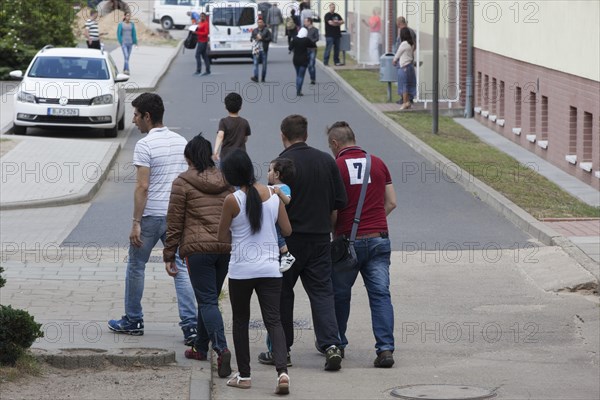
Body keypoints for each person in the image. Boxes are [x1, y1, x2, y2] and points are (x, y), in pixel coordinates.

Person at [258, 115, 347, 371]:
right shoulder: (326, 161)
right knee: (322, 292)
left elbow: (270, 205)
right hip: (319, 239)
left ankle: (282, 351)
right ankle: (332, 345)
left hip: (288, 241)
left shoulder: (280, 164)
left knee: (283, 293)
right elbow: (339, 202)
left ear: (282, 134)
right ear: (306, 135)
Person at [108, 93, 198, 346]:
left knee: (136, 266)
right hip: (175, 216)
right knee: (179, 267)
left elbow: (142, 186)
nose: (134, 120)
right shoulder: (181, 142)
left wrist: (135, 222)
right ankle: (191, 326)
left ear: (147, 116)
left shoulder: (145, 145)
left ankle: (133, 321)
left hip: (149, 217)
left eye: (136, 115)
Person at [218, 149, 292, 395]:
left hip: (241, 270)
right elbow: (287, 230)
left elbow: (221, 237)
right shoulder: (273, 194)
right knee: (274, 321)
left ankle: (245, 376)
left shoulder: (232, 200)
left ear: (231, 175)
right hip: (270, 269)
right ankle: (282, 372)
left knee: (240, 321)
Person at [326, 121, 397, 369]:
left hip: (347, 242)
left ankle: (337, 344)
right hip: (379, 238)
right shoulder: (378, 163)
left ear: (335, 143)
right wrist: (372, 223)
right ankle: (385, 348)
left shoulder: (335, 166)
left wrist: (337, 230)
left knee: (340, 295)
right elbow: (392, 202)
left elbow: (333, 210)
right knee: (380, 296)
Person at [163, 134, 233, 377]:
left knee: (207, 301)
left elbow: (174, 222)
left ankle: (222, 349)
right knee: (210, 298)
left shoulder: (182, 182)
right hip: (224, 248)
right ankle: (200, 348)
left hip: (198, 250)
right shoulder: (227, 179)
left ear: (188, 157)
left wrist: (169, 254)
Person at [267, 158, 296, 273]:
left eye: (269, 170)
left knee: (277, 232)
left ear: (277, 174)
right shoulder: (270, 187)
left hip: (278, 219)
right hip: (272, 217)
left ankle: (286, 254)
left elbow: (287, 201)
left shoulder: (284, 188)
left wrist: (279, 193)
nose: (268, 173)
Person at [213, 92, 251, 163]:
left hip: (226, 156)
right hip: (241, 156)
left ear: (226, 107)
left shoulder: (223, 121)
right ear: (240, 107)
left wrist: (215, 150)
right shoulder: (244, 122)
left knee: (224, 173)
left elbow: (220, 135)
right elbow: (245, 139)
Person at [392, 27, 416, 109]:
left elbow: (397, 54)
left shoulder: (403, 44)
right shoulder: (411, 44)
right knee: (409, 84)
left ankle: (405, 103)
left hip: (404, 67)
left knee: (403, 85)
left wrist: (394, 61)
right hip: (410, 66)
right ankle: (408, 102)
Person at [288, 27, 315, 96]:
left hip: (295, 59)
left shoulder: (295, 39)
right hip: (304, 59)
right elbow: (313, 45)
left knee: (298, 75)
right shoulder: (306, 40)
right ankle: (299, 90)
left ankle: (298, 89)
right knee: (301, 76)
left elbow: (290, 48)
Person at [250, 18, 272, 83]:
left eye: (261, 22)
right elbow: (251, 38)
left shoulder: (266, 30)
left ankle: (263, 77)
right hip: (256, 49)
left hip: (264, 49)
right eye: (258, 22)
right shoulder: (254, 30)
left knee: (264, 64)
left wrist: (262, 38)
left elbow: (270, 38)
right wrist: (255, 37)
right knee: (255, 63)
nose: (260, 23)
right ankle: (256, 77)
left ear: (263, 23)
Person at [304, 17, 319, 85]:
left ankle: (313, 79)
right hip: (305, 49)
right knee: (308, 65)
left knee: (311, 64)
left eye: (306, 22)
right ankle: (311, 77)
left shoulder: (315, 30)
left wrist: (310, 42)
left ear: (309, 22)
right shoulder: (304, 29)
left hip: (313, 49)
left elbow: (317, 38)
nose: (305, 23)